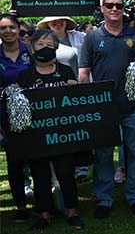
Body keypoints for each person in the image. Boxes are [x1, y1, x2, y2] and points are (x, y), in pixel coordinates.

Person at [79, 0, 135, 218]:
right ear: (102, 8)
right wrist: (90, 103)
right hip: (103, 107)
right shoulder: (91, 38)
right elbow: (83, 75)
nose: (114, 9)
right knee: (103, 155)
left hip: (133, 105)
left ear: (123, 8)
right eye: (110, 5)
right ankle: (104, 199)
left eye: (119, 5)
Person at [16, 30, 85, 229]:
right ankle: (43, 214)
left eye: (49, 44)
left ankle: (72, 212)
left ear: (55, 47)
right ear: (32, 47)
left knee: (65, 173)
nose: (44, 48)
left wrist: (75, 89)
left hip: (63, 134)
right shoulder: (25, 75)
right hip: (36, 135)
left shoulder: (65, 71)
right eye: (40, 44)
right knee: (40, 175)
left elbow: (78, 103)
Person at [0, 14, 33, 223]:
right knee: (15, 162)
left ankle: (44, 205)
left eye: (11, 27)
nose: (8, 31)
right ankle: (21, 206)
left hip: (35, 113)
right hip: (6, 117)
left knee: (38, 160)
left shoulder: (29, 51)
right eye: (3, 28)